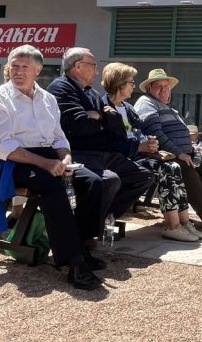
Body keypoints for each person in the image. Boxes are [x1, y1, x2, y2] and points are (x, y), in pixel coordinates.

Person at [0, 46, 105, 290]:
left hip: (49, 157)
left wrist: (66, 159)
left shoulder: (47, 99)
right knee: (51, 184)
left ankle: (82, 245)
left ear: (38, 70)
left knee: (93, 182)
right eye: (14, 66)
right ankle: (74, 261)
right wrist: (47, 163)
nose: (17, 71)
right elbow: (2, 146)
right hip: (13, 162)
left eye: (25, 67)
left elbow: (58, 138)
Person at [48, 48, 153, 242]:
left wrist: (100, 117)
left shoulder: (92, 93)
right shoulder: (61, 88)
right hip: (79, 153)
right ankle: (85, 234)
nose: (97, 72)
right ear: (78, 67)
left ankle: (102, 217)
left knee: (143, 176)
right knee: (109, 180)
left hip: (104, 152)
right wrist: (103, 117)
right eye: (93, 66)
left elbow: (114, 125)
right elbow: (77, 124)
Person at [101, 62, 202, 242]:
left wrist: (150, 143)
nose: (133, 85)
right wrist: (140, 147)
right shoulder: (104, 107)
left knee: (173, 166)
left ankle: (184, 223)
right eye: (130, 82)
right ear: (119, 83)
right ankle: (172, 225)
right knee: (169, 169)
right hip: (119, 158)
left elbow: (139, 134)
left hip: (137, 156)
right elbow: (108, 142)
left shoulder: (129, 108)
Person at [135, 68, 202, 233]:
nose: (164, 89)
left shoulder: (171, 109)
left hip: (181, 153)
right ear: (149, 88)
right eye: (158, 86)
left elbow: (182, 134)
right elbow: (156, 134)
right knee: (187, 168)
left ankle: (184, 203)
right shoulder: (146, 102)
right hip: (160, 154)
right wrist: (180, 153)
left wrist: (193, 148)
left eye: (167, 86)